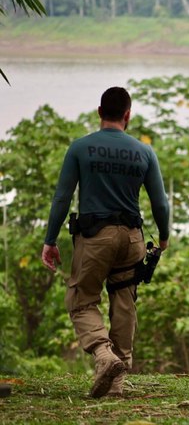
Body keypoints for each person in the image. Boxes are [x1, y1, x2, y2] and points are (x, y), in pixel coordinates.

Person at [40, 87, 170, 398]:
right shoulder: (144, 152)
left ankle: (103, 354)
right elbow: (160, 203)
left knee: (81, 300)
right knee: (124, 302)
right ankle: (117, 382)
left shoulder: (80, 147)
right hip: (132, 238)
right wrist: (164, 237)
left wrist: (50, 239)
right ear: (128, 115)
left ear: (100, 112)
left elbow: (62, 198)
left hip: (95, 238)